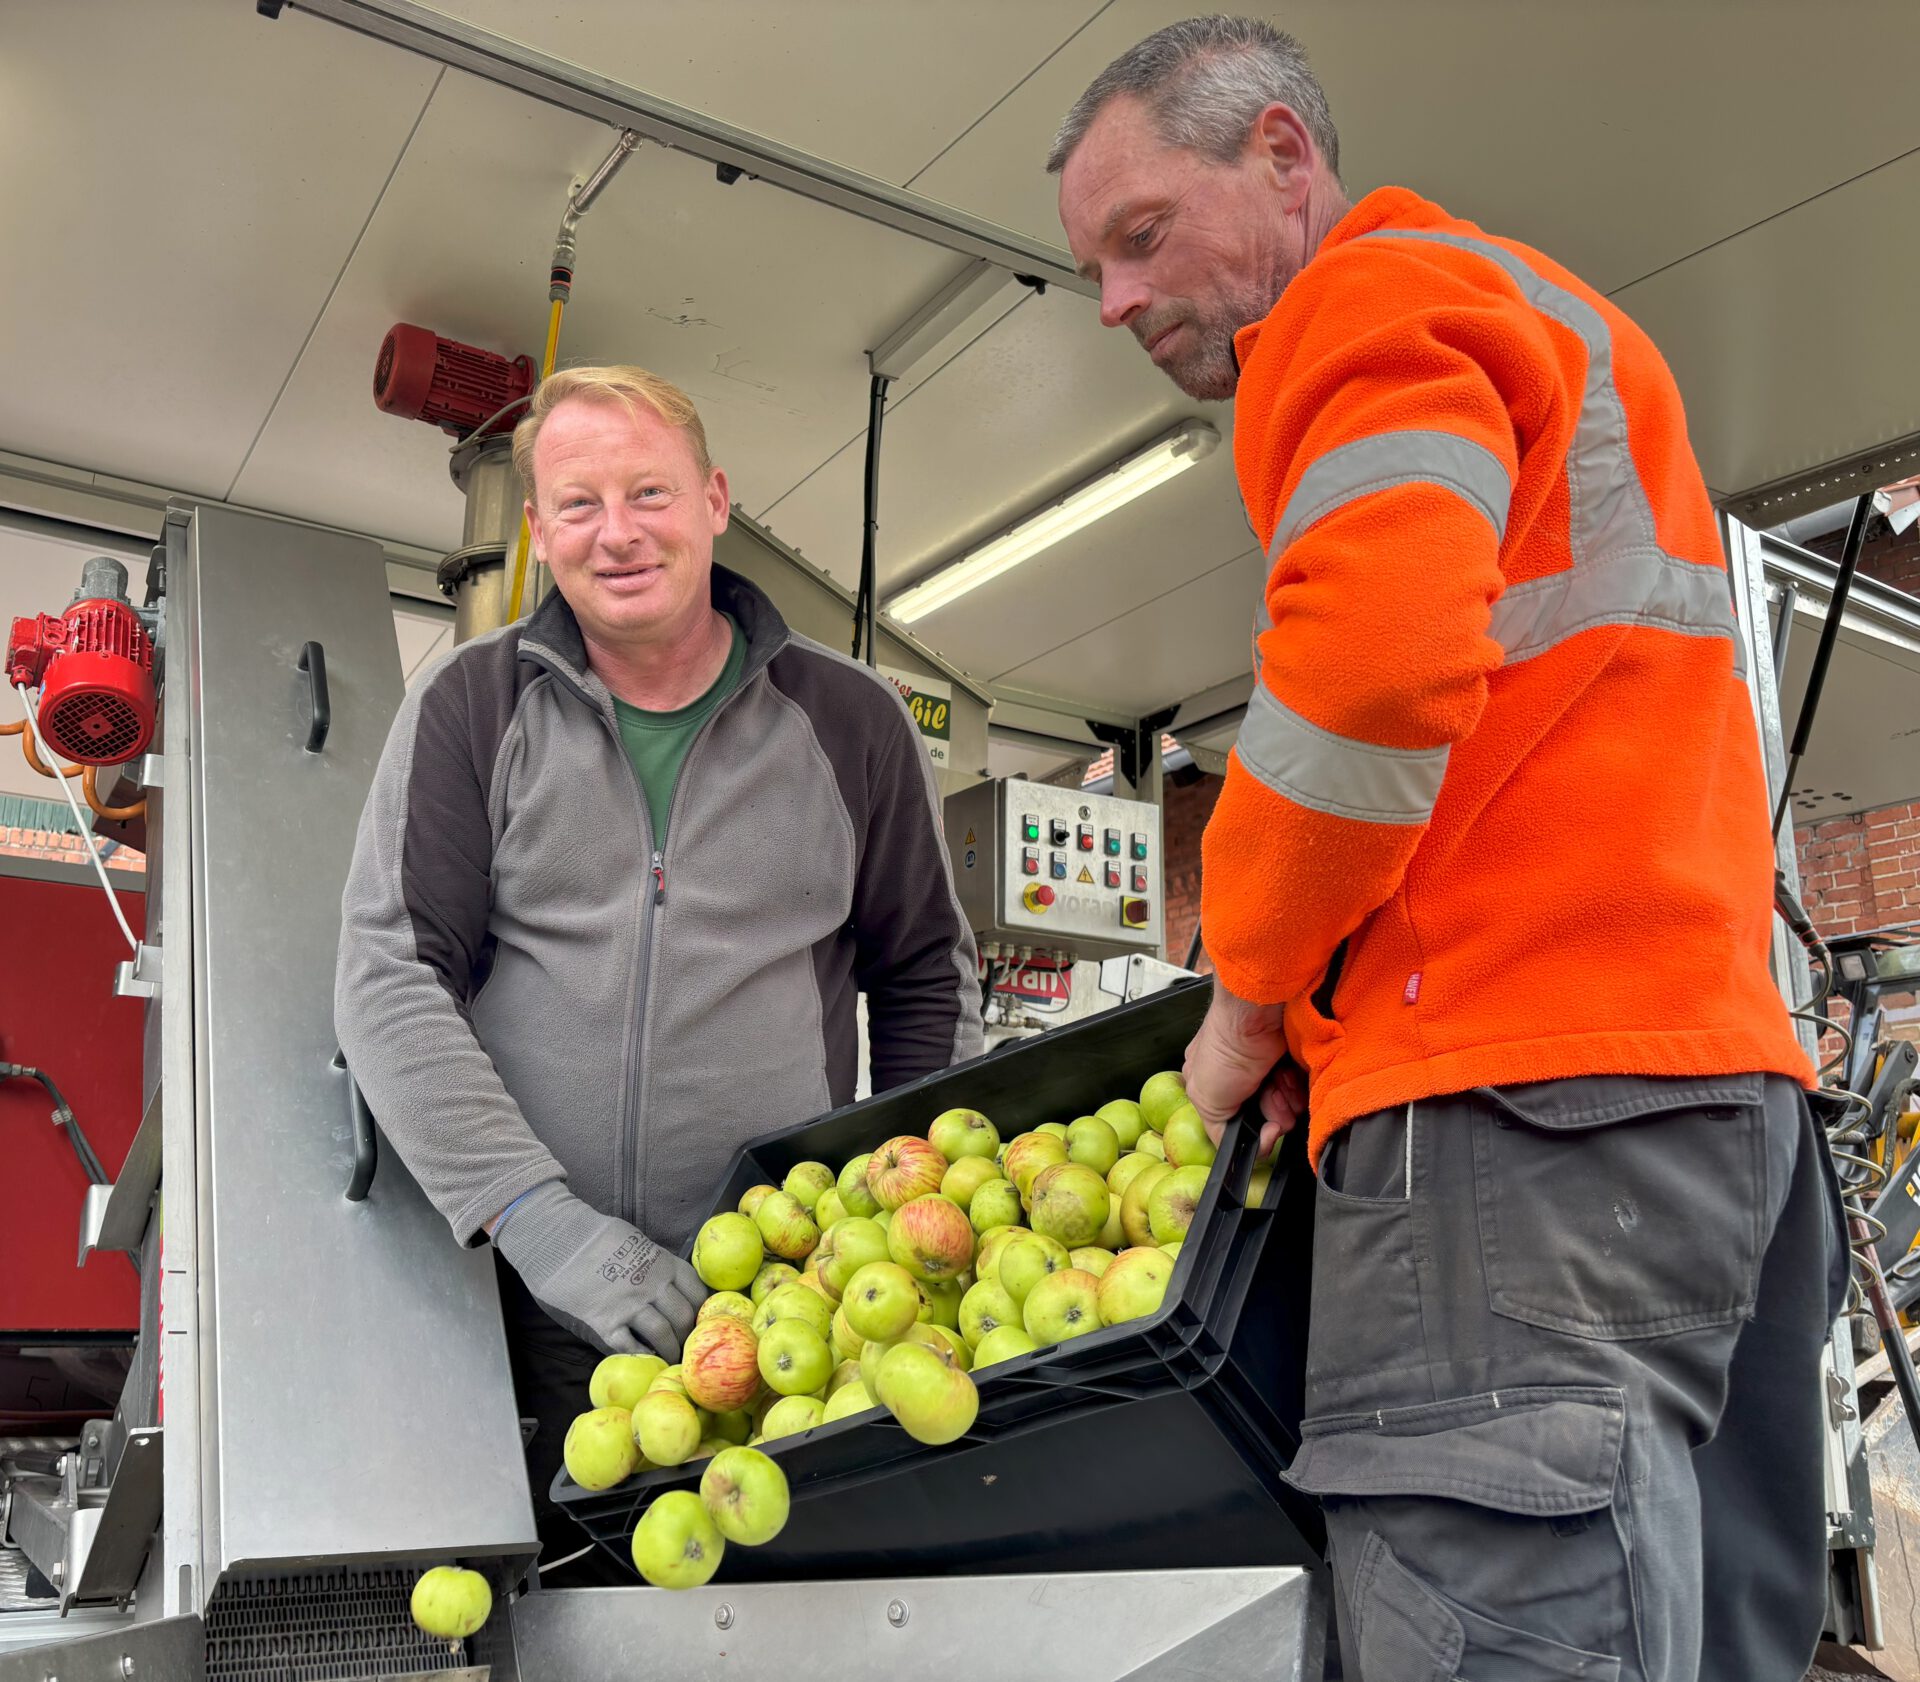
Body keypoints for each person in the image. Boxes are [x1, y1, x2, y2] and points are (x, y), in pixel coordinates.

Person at [1051, 20, 1845, 1682]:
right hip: (1712, 1110)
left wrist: (1253, 995)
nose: (1118, 301)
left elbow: (1375, 674)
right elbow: (1510, 744)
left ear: (1283, 156)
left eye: (1142, 238)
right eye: (1097, 269)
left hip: (1520, 1136)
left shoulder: (1363, 303)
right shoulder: (1564, 325)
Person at [336, 364, 982, 1575]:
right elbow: (389, 976)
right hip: (515, 1308)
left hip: (786, 1307)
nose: (618, 532)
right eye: (577, 504)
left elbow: (924, 977)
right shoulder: (471, 707)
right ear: (536, 530)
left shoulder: (851, 723)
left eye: (649, 491)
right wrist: (543, 1224)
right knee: (541, 1613)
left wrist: (885, 1221)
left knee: (777, 1621)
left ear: (715, 500)